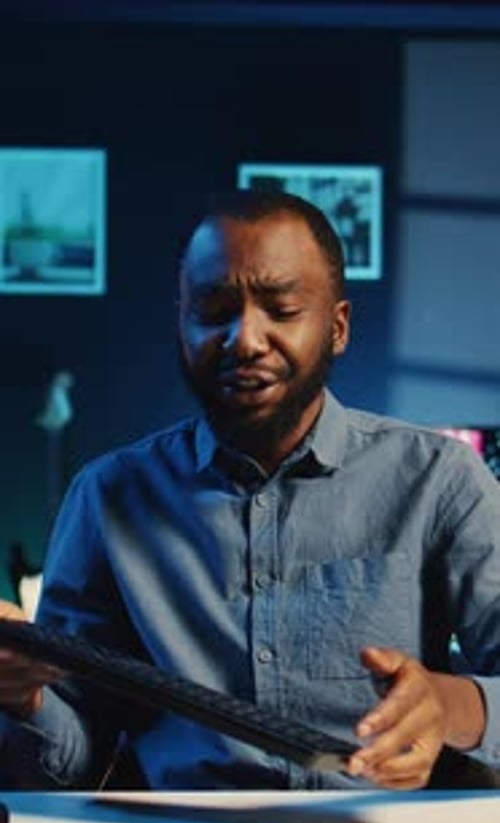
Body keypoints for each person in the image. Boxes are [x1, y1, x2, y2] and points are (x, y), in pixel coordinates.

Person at [1, 188, 500, 791]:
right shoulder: (109, 498)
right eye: (213, 311)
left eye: (282, 309)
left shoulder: (439, 478)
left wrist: (447, 706)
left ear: (337, 328)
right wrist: (22, 697)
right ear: (181, 324)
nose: (244, 338)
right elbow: (70, 762)